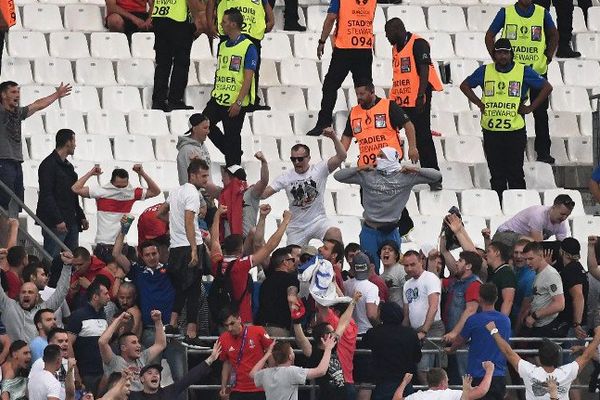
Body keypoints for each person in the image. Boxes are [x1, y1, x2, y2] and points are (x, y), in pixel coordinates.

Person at [460, 39, 553, 198]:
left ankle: (517, 208)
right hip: (491, 130)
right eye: (499, 52)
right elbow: (464, 85)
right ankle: (499, 208)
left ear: (511, 54)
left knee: (515, 173)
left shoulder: (523, 70)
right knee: (497, 174)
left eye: (506, 53)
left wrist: (530, 107)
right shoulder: (485, 70)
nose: (502, 56)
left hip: (514, 131)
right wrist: (478, 103)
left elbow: (547, 87)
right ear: (494, 54)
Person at [334, 147, 442, 266]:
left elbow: (437, 175)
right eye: (378, 156)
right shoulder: (367, 174)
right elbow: (338, 176)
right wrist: (359, 168)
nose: (378, 159)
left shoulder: (407, 176)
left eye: (382, 156)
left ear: (392, 159)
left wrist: (415, 169)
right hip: (370, 231)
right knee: (370, 270)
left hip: (391, 231)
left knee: (394, 271)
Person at [484, 3, 558, 165]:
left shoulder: (542, 13)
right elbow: (489, 35)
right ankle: (516, 152)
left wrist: (548, 56)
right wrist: (496, 58)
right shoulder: (506, 12)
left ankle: (543, 152)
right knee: (514, 110)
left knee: (540, 112)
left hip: (536, 70)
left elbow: (554, 34)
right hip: (513, 72)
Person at [112, 233, 184, 384]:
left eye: (154, 253)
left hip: (172, 332)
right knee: (150, 376)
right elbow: (116, 254)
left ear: (159, 253)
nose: (152, 257)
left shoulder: (171, 271)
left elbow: (182, 295)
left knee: (181, 378)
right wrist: (124, 230)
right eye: (147, 255)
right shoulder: (138, 271)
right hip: (150, 331)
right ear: (142, 256)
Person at [156, 159, 209, 343]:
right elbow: (189, 221)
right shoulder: (192, 193)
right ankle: (191, 332)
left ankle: (173, 322)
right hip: (189, 245)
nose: (206, 179)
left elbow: (160, 213)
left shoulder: (175, 191)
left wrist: (173, 226)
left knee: (181, 288)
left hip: (175, 247)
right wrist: (194, 249)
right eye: (203, 175)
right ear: (192, 175)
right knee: (193, 290)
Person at [261, 130, 346, 246]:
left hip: (318, 221)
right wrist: (255, 186)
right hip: (296, 226)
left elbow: (342, 156)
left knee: (335, 234)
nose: (296, 162)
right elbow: (264, 194)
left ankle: (337, 264)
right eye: (293, 159)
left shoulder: (319, 169)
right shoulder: (286, 177)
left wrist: (333, 137)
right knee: (292, 258)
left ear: (308, 158)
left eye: (300, 159)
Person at [210, 204, 291, 324]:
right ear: (241, 249)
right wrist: (285, 221)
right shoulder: (242, 265)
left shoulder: (216, 262)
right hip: (243, 320)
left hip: (223, 322)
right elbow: (269, 246)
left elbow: (215, 239)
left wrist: (217, 215)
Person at [305, 0, 376, 137]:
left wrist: (322, 41)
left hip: (344, 48)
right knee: (364, 89)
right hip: (364, 48)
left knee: (330, 85)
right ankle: (368, 122)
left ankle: (324, 123)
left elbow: (332, 17)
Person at [0, 81, 71, 214]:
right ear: (3, 95)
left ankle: (11, 232)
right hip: (3, 161)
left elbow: (38, 105)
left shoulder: (18, 112)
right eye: (13, 92)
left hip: (16, 163)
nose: (18, 95)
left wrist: (57, 94)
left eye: (18, 91)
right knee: (4, 204)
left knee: (15, 204)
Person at [384, 18, 443, 174]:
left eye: (388, 33)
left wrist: (421, 94)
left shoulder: (418, 43)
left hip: (418, 98)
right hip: (400, 99)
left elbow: (425, 69)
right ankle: (391, 170)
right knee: (389, 132)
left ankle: (432, 175)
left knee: (423, 135)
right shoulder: (396, 48)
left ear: (396, 30)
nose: (386, 37)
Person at [486, 321, 600, 400]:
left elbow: (508, 352)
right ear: (557, 358)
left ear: (539, 358)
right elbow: (587, 355)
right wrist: (598, 335)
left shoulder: (529, 371)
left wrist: (494, 331)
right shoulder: (567, 372)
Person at [203, 8, 258, 166]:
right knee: (202, 123)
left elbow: (248, 78)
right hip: (218, 97)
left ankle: (236, 179)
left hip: (235, 102)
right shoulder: (223, 45)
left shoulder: (248, 47)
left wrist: (239, 102)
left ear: (233, 24)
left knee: (233, 137)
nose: (221, 24)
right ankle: (230, 150)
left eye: (224, 22)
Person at [290, 291, 360, 400]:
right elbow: (301, 340)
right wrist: (297, 322)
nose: (334, 334)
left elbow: (343, 323)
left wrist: (353, 302)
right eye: (331, 333)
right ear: (323, 337)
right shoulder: (314, 352)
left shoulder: (334, 346)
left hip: (344, 394)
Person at [206, 0, 274, 110]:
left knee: (252, 70)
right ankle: (219, 99)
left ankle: (251, 102)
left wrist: (271, 19)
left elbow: (265, 2)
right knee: (224, 68)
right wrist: (209, 23)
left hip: (252, 32)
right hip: (229, 32)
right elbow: (211, 1)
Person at [446, 283, 511, 400]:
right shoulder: (506, 320)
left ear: (479, 299)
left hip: (477, 374)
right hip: (499, 374)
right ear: (496, 298)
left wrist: (451, 349)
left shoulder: (473, 320)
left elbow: (460, 340)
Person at [71, 164, 161, 246]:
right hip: (104, 242)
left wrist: (142, 173)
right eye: (118, 186)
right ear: (112, 182)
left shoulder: (131, 192)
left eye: (124, 186)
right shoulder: (101, 191)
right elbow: (75, 189)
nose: (121, 189)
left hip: (121, 243)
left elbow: (156, 191)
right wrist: (90, 173)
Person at [341, 81, 417, 168]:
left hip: (390, 165)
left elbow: (408, 125)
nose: (359, 97)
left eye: (362, 94)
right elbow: (346, 137)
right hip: (367, 167)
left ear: (372, 91)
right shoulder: (354, 112)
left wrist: (412, 148)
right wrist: (339, 156)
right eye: (357, 94)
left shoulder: (389, 106)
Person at [36, 129, 87, 257]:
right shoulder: (48, 165)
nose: (75, 144)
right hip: (56, 223)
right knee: (52, 260)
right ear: (68, 142)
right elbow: (46, 195)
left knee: (73, 261)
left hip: (71, 220)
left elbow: (72, 195)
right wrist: (58, 219)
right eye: (74, 140)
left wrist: (81, 215)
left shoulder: (68, 167)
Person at [0, 252, 73, 342]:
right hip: (15, 354)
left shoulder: (44, 309)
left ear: (37, 297)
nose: (26, 294)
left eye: (30, 292)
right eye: (23, 292)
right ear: (19, 295)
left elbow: (61, 292)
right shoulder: (9, 306)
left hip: (39, 354)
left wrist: (67, 266)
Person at [363, 302, 422, 400]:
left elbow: (366, 342)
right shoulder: (410, 333)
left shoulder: (375, 333)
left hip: (383, 381)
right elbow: (417, 357)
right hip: (406, 380)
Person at [402, 250, 444, 384]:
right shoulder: (407, 285)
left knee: (425, 369)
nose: (409, 268)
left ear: (421, 261)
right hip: (415, 331)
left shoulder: (430, 278)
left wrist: (424, 330)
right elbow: (406, 314)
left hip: (431, 328)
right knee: (420, 369)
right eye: (406, 265)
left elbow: (434, 306)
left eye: (412, 264)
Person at [150, 0, 200, 112]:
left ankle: (158, 101)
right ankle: (175, 100)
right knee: (181, 62)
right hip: (178, 20)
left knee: (162, 63)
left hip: (160, 17)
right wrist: (197, 19)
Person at [129, 341, 222, 400]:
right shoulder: (133, 396)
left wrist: (211, 359)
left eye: (157, 373)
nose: (155, 375)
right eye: (149, 373)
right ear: (141, 379)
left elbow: (189, 378)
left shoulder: (168, 392)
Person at [99, 310, 166, 392]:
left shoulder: (142, 358)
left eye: (138, 342)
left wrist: (158, 321)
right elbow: (102, 342)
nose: (139, 345)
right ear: (123, 348)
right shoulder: (114, 361)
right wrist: (119, 319)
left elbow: (160, 344)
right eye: (134, 343)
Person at [441, 252, 482, 381]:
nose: (456, 263)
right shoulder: (456, 282)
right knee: (456, 377)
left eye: (460, 260)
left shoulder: (474, 284)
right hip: (455, 339)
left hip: (465, 340)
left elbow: (470, 310)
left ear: (468, 266)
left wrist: (454, 332)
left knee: (464, 378)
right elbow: (436, 282)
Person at [217, 306, 273, 400]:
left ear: (239, 319)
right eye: (226, 325)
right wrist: (223, 387)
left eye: (232, 323)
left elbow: (271, 354)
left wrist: (272, 379)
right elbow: (227, 363)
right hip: (237, 389)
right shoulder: (223, 339)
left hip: (259, 388)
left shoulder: (258, 331)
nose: (229, 328)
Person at [251, 338, 335, 400]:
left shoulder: (266, 373)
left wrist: (267, 354)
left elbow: (252, 374)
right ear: (290, 357)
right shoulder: (292, 372)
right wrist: (328, 349)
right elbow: (321, 371)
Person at [66, 280, 110, 396]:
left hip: (103, 372)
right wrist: (75, 373)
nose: (109, 297)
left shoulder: (103, 315)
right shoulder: (78, 316)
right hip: (87, 373)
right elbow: (68, 344)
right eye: (105, 294)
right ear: (95, 296)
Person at [520, 241, 565, 338]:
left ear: (541, 255)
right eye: (526, 259)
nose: (528, 263)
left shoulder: (550, 274)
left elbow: (559, 304)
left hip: (548, 326)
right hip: (538, 325)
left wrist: (535, 315)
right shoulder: (537, 273)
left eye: (531, 259)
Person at [217, 154, 269, 238]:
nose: (222, 180)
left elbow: (264, 181)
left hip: (247, 243)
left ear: (233, 178)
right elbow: (207, 184)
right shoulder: (223, 194)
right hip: (229, 246)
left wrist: (264, 162)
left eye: (225, 176)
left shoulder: (251, 193)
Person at [493, 194, 574, 248]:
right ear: (553, 208)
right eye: (562, 214)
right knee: (532, 242)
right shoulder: (538, 214)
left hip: (520, 242)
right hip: (503, 235)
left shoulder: (561, 224)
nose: (564, 218)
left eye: (567, 215)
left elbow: (562, 246)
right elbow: (537, 244)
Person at [255, 248, 299, 337]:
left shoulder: (266, 281)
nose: (294, 263)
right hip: (279, 328)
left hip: (260, 328)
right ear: (285, 262)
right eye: (292, 260)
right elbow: (291, 298)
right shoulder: (291, 279)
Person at [393, 365, 495, 400]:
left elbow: (396, 399)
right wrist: (490, 371)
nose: (448, 381)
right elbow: (482, 391)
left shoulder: (416, 397)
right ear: (442, 383)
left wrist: (404, 382)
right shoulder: (450, 394)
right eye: (447, 379)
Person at [556, 238, 588, 342]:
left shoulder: (571, 270)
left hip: (572, 326)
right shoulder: (578, 268)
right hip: (578, 323)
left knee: (570, 356)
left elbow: (578, 296)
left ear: (562, 252)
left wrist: (576, 324)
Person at [23, 260, 70, 329]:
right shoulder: (15, 307)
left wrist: (67, 266)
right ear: (33, 277)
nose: (46, 278)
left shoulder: (43, 306)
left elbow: (61, 292)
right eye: (42, 275)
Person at [29, 328, 74, 400]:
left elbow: (70, 392)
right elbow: (30, 389)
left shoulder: (68, 363)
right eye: (60, 341)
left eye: (66, 341)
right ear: (50, 344)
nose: (65, 344)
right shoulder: (39, 363)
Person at [343, 252, 380, 335]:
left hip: (349, 330)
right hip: (366, 331)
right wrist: (379, 327)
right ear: (369, 267)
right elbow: (371, 315)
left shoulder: (345, 284)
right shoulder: (372, 287)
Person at [176, 113, 212, 185]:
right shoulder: (187, 150)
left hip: (206, 193)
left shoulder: (202, 146)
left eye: (208, 128)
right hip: (194, 194)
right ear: (195, 129)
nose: (208, 131)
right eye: (205, 128)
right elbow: (188, 180)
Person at [485, 242, 516, 317]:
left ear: (497, 253)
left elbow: (508, 301)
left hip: (498, 322)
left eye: (489, 251)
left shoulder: (506, 273)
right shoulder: (495, 272)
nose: (486, 255)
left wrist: (501, 322)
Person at [511, 239, 535, 331]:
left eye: (522, 253)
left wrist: (516, 332)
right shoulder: (516, 271)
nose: (518, 256)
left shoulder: (531, 276)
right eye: (516, 252)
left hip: (523, 324)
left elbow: (525, 308)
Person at [379, 240, 406, 307]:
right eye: (384, 249)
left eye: (390, 250)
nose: (386, 251)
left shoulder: (402, 270)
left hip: (401, 313)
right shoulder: (380, 278)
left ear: (396, 255)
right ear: (380, 254)